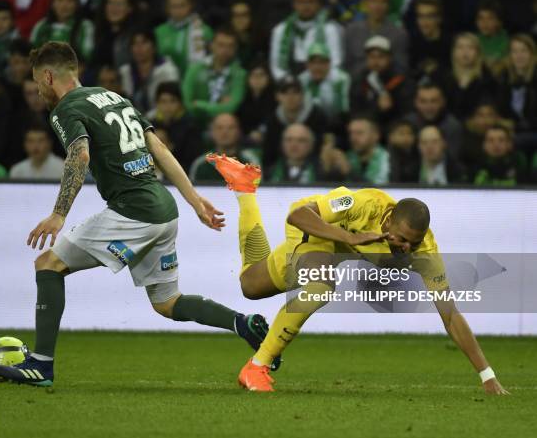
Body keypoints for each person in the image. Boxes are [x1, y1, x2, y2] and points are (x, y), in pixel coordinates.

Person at [0, 42, 274, 386]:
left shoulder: (65, 109)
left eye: (38, 82)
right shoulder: (113, 97)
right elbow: (158, 148)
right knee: (168, 302)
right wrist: (194, 200)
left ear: (49, 76)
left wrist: (58, 214)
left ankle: (41, 365)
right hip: (163, 210)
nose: (38, 91)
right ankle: (243, 323)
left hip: (132, 213)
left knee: (48, 264)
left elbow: (79, 156)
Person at [206, 153, 509, 395]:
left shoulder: (424, 252)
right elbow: (298, 215)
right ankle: (257, 367)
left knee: (251, 284)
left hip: (338, 246)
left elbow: (451, 315)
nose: (404, 247)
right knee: (321, 288)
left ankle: (245, 189)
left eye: (412, 242)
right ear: (388, 221)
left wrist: (487, 375)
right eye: (401, 238)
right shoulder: (363, 204)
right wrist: (349, 237)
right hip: (315, 228)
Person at [269, 0, 344, 80]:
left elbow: (335, 63)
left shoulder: (330, 29)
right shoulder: (280, 30)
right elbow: (277, 67)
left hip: (322, 82)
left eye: (310, 1)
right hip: (290, 87)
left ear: (319, 3)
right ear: (293, 4)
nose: (306, 6)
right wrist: (292, 85)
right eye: (301, 1)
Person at [181, 26, 246, 126]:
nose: (225, 50)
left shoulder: (239, 74)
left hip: (225, 126)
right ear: (212, 45)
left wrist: (199, 104)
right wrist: (220, 107)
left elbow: (231, 107)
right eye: (221, 45)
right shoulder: (195, 69)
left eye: (230, 46)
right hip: (195, 124)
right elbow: (187, 103)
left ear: (236, 49)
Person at [262, 75, 330, 168]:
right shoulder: (272, 119)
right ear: (277, 96)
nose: (290, 97)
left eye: (295, 92)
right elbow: (269, 152)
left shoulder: (317, 116)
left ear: (302, 95)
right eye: (285, 93)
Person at [344, 0, 408, 76]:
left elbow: (402, 70)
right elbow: (346, 67)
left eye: (383, 1)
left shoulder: (399, 35)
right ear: (365, 3)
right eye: (373, 1)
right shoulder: (351, 31)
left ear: (388, 5)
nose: (378, 6)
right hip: (357, 86)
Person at [350, 35, 414, 127]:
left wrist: (391, 106)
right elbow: (355, 110)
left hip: (397, 126)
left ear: (390, 58)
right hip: (368, 127)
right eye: (371, 57)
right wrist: (377, 108)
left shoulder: (402, 80)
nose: (376, 62)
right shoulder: (360, 80)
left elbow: (408, 111)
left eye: (381, 57)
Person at [154, 0, 212, 76]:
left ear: (190, 5)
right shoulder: (159, 32)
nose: (178, 11)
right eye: (173, 6)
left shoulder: (204, 31)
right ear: (167, 8)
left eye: (182, 5)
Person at [119, 29, 179, 113]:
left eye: (144, 42)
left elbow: (171, 102)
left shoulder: (167, 70)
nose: (139, 48)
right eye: (135, 44)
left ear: (154, 46)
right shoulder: (125, 71)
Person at [30, 0, 95, 63]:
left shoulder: (85, 26)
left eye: (70, 0)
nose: (64, 5)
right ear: (53, 3)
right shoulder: (41, 26)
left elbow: (87, 57)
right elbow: (32, 55)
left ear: (77, 4)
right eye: (60, 0)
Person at [441, 33, 495, 121]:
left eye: (470, 48)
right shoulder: (444, 76)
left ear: (478, 52)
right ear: (453, 52)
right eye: (460, 47)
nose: (465, 52)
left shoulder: (486, 78)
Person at [189, 113, 258, 182]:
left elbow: (258, 190)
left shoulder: (250, 162)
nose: (225, 132)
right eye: (219, 128)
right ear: (211, 132)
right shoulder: (201, 164)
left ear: (238, 131)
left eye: (230, 128)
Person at [496, 34, 537, 149]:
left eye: (524, 51)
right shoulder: (503, 78)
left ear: (532, 54)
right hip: (512, 132)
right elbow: (500, 109)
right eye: (515, 51)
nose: (519, 56)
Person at [146, 82, 199, 170]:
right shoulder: (150, 126)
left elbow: (191, 160)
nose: (168, 106)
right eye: (163, 101)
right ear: (157, 104)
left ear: (180, 103)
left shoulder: (190, 127)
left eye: (172, 101)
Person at [404, 83, 463, 160]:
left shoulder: (452, 126)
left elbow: (452, 158)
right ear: (416, 103)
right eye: (423, 101)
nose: (428, 107)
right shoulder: (407, 124)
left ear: (442, 102)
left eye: (434, 101)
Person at [299, 42, 350, 129]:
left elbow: (343, 110)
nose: (317, 67)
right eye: (313, 63)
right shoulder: (302, 79)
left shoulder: (341, 79)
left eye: (321, 62)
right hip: (308, 125)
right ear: (307, 65)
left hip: (336, 124)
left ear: (329, 64)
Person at [91, 0, 140, 69]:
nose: (114, 8)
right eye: (110, 3)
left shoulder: (136, 36)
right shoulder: (98, 34)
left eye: (119, 4)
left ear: (130, 9)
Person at [408, 0, 451, 81]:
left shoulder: (451, 44)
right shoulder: (412, 43)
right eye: (420, 16)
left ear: (439, 18)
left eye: (429, 16)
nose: (424, 21)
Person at [237, 60, 277, 145]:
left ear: (268, 78)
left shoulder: (275, 99)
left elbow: (272, 120)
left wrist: (260, 131)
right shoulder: (243, 98)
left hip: (268, 138)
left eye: (261, 75)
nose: (257, 79)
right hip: (244, 137)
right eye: (254, 75)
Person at [345, 115, 389, 184]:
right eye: (351, 133)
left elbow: (377, 190)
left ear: (376, 135)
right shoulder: (348, 156)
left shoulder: (387, 158)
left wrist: (349, 171)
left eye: (359, 133)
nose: (353, 138)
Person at [475, 0, 509, 72]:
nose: (484, 22)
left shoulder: (509, 41)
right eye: (480, 18)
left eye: (490, 18)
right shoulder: (473, 41)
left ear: (499, 21)